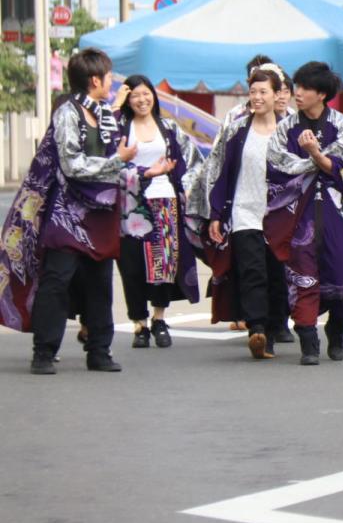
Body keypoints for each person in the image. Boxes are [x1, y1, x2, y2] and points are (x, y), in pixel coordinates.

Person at [0, 48, 172, 374]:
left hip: (101, 214)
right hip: (68, 213)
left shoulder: (106, 116)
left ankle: (99, 351)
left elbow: (117, 163)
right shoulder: (69, 113)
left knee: (100, 283)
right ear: (95, 80)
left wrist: (146, 172)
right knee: (56, 281)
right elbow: (72, 165)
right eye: (108, 77)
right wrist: (117, 162)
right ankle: (44, 352)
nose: (111, 82)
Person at [265, 61, 343, 365]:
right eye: (296, 87)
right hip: (297, 214)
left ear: (322, 94)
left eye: (304, 88)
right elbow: (276, 166)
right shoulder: (286, 128)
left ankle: (337, 328)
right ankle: (308, 340)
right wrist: (313, 163)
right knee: (302, 276)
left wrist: (316, 154)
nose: (297, 93)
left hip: (336, 213)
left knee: (339, 277)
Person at [189, 68, 290, 359]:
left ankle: (271, 331)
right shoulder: (237, 131)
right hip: (245, 212)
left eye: (263, 92)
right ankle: (256, 329)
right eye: (252, 92)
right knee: (251, 272)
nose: (256, 98)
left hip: (280, 216)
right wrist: (217, 214)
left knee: (276, 274)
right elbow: (221, 172)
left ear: (276, 94)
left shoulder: (289, 131)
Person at [113, 75, 205, 348]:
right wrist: (143, 173)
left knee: (163, 264)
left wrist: (186, 188)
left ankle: (159, 318)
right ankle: (139, 323)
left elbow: (193, 160)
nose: (142, 100)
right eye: (135, 96)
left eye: (146, 94)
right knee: (131, 267)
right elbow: (109, 162)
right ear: (127, 100)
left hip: (164, 200)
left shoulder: (167, 127)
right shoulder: (120, 127)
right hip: (130, 207)